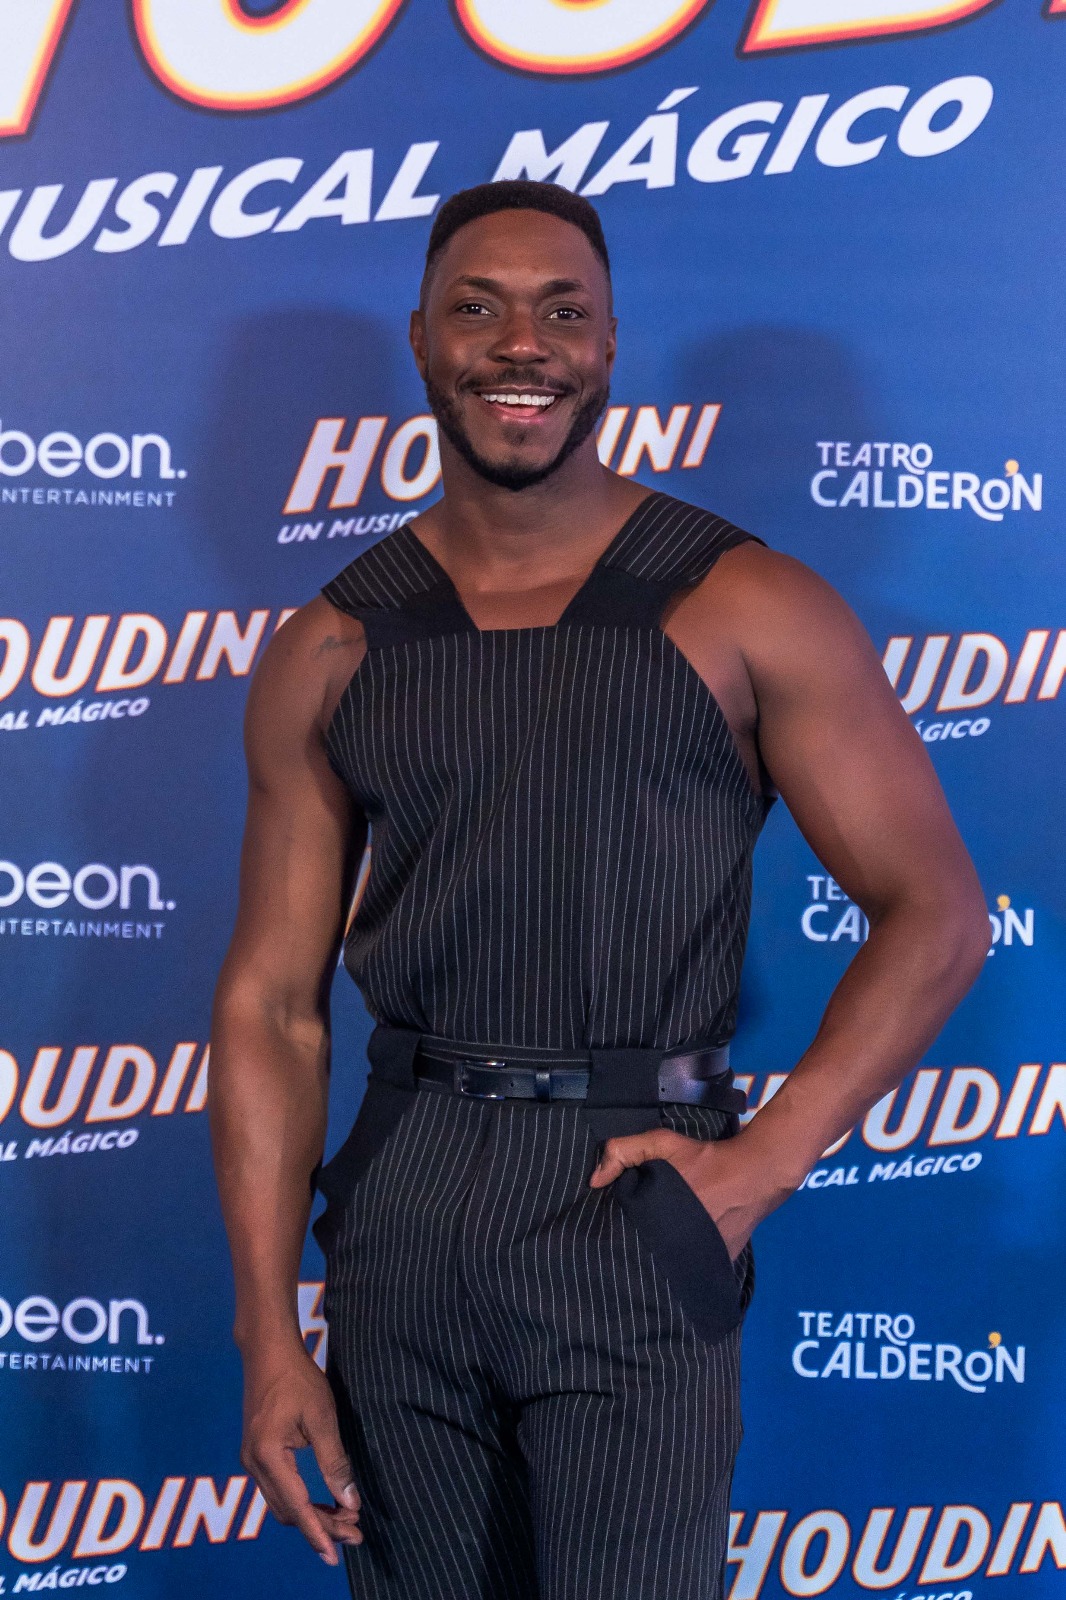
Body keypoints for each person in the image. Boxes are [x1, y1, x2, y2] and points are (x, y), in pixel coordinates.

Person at [208, 180, 989, 1599]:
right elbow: (271, 1005)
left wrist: (760, 1164)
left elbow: (935, 911)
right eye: (480, 308)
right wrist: (269, 1333)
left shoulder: (745, 604)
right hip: (402, 1208)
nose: (524, 344)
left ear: (610, 345)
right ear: (422, 340)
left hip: (635, 1195)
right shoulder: (331, 642)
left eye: (562, 312)